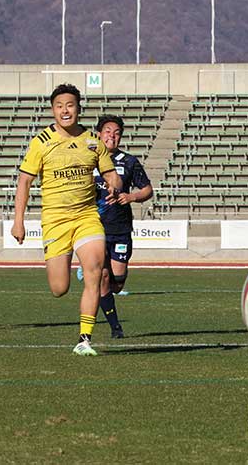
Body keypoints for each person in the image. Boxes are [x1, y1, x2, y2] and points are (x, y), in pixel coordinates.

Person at [11, 84, 123, 356]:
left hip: (86, 216)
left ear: (78, 108)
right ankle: (65, 269)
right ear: (53, 110)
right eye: (60, 105)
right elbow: (25, 181)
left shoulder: (92, 141)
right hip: (55, 220)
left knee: (95, 270)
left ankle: (84, 339)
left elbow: (111, 174)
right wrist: (18, 221)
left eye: (70, 105)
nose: (65, 110)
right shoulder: (41, 142)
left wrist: (114, 183)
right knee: (59, 288)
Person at [86, 115, 153, 338]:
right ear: (98, 134)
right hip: (94, 227)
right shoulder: (88, 159)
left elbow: (147, 190)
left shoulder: (130, 161)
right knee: (103, 277)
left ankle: (108, 282)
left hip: (121, 228)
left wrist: (131, 197)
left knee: (116, 282)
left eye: (116, 132)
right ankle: (115, 327)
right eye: (107, 131)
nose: (111, 136)